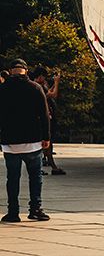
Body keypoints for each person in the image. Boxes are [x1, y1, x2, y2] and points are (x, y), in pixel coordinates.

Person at [0, 59, 51, 222]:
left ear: (11, 71)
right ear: (26, 71)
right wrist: (46, 137)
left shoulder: (2, 89)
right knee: (35, 177)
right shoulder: (35, 88)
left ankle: (13, 212)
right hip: (33, 141)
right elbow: (44, 115)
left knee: (12, 178)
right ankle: (35, 209)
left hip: (10, 143)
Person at [30, 68, 63, 176]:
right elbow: (52, 95)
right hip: (42, 118)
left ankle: (51, 166)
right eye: (43, 77)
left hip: (47, 117)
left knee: (48, 142)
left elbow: (49, 92)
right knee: (44, 143)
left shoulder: (39, 86)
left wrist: (54, 83)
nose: (44, 79)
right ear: (40, 76)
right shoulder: (36, 86)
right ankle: (50, 167)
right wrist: (57, 83)